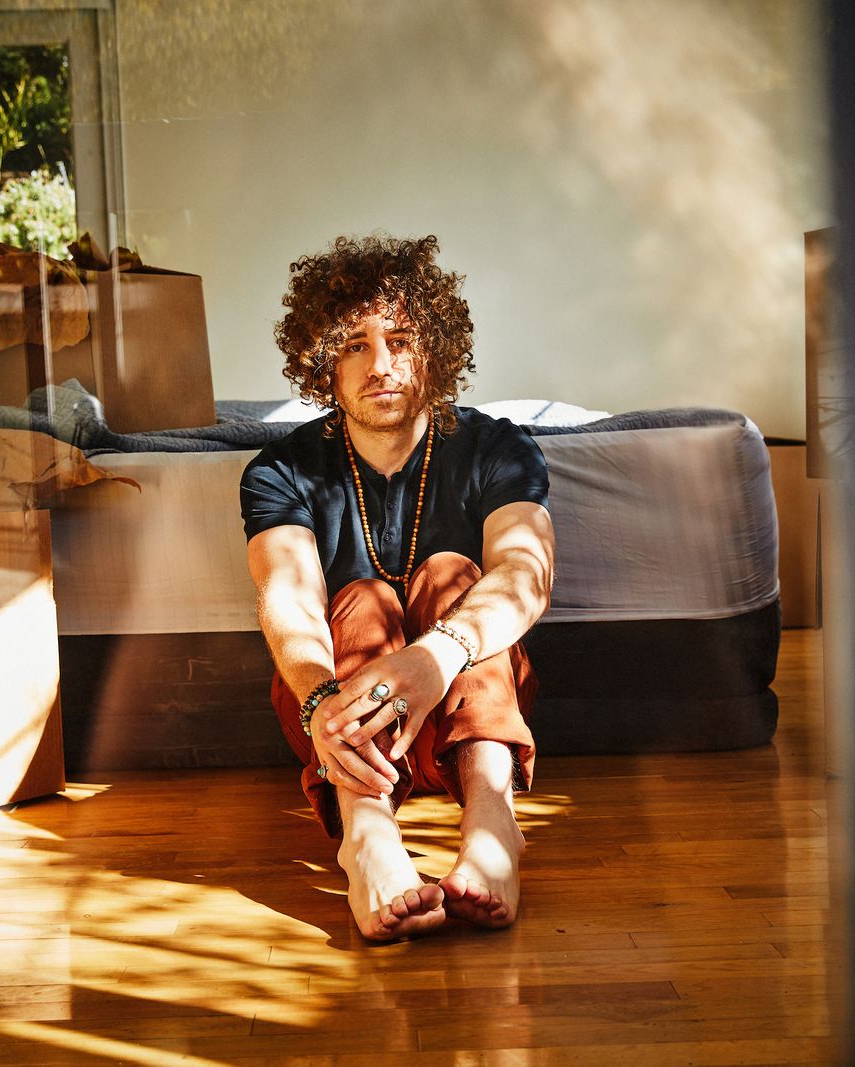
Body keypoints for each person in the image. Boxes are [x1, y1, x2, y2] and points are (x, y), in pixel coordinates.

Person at [240, 234, 555, 941]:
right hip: (337, 727)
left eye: (402, 340)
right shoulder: (280, 470)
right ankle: (368, 838)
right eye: (354, 345)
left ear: (435, 350)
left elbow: (525, 572)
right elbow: (287, 596)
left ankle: (492, 825)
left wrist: (435, 656)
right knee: (361, 598)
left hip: (472, 716)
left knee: (453, 573)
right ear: (323, 362)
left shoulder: (497, 447)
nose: (380, 365)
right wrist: (319, 700)